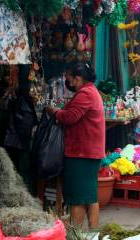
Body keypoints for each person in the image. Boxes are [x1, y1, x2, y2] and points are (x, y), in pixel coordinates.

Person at [47, 63, 105, 229]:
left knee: (77, 199)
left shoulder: (86, 93)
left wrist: (54, 112)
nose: (67, 82)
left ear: (77, 79)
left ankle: (77, 237)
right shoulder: (91, 91)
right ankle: (93, 234)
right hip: (88, 152)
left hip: (82, 153)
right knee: (89, 197)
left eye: (68, 79)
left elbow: (70, 117)